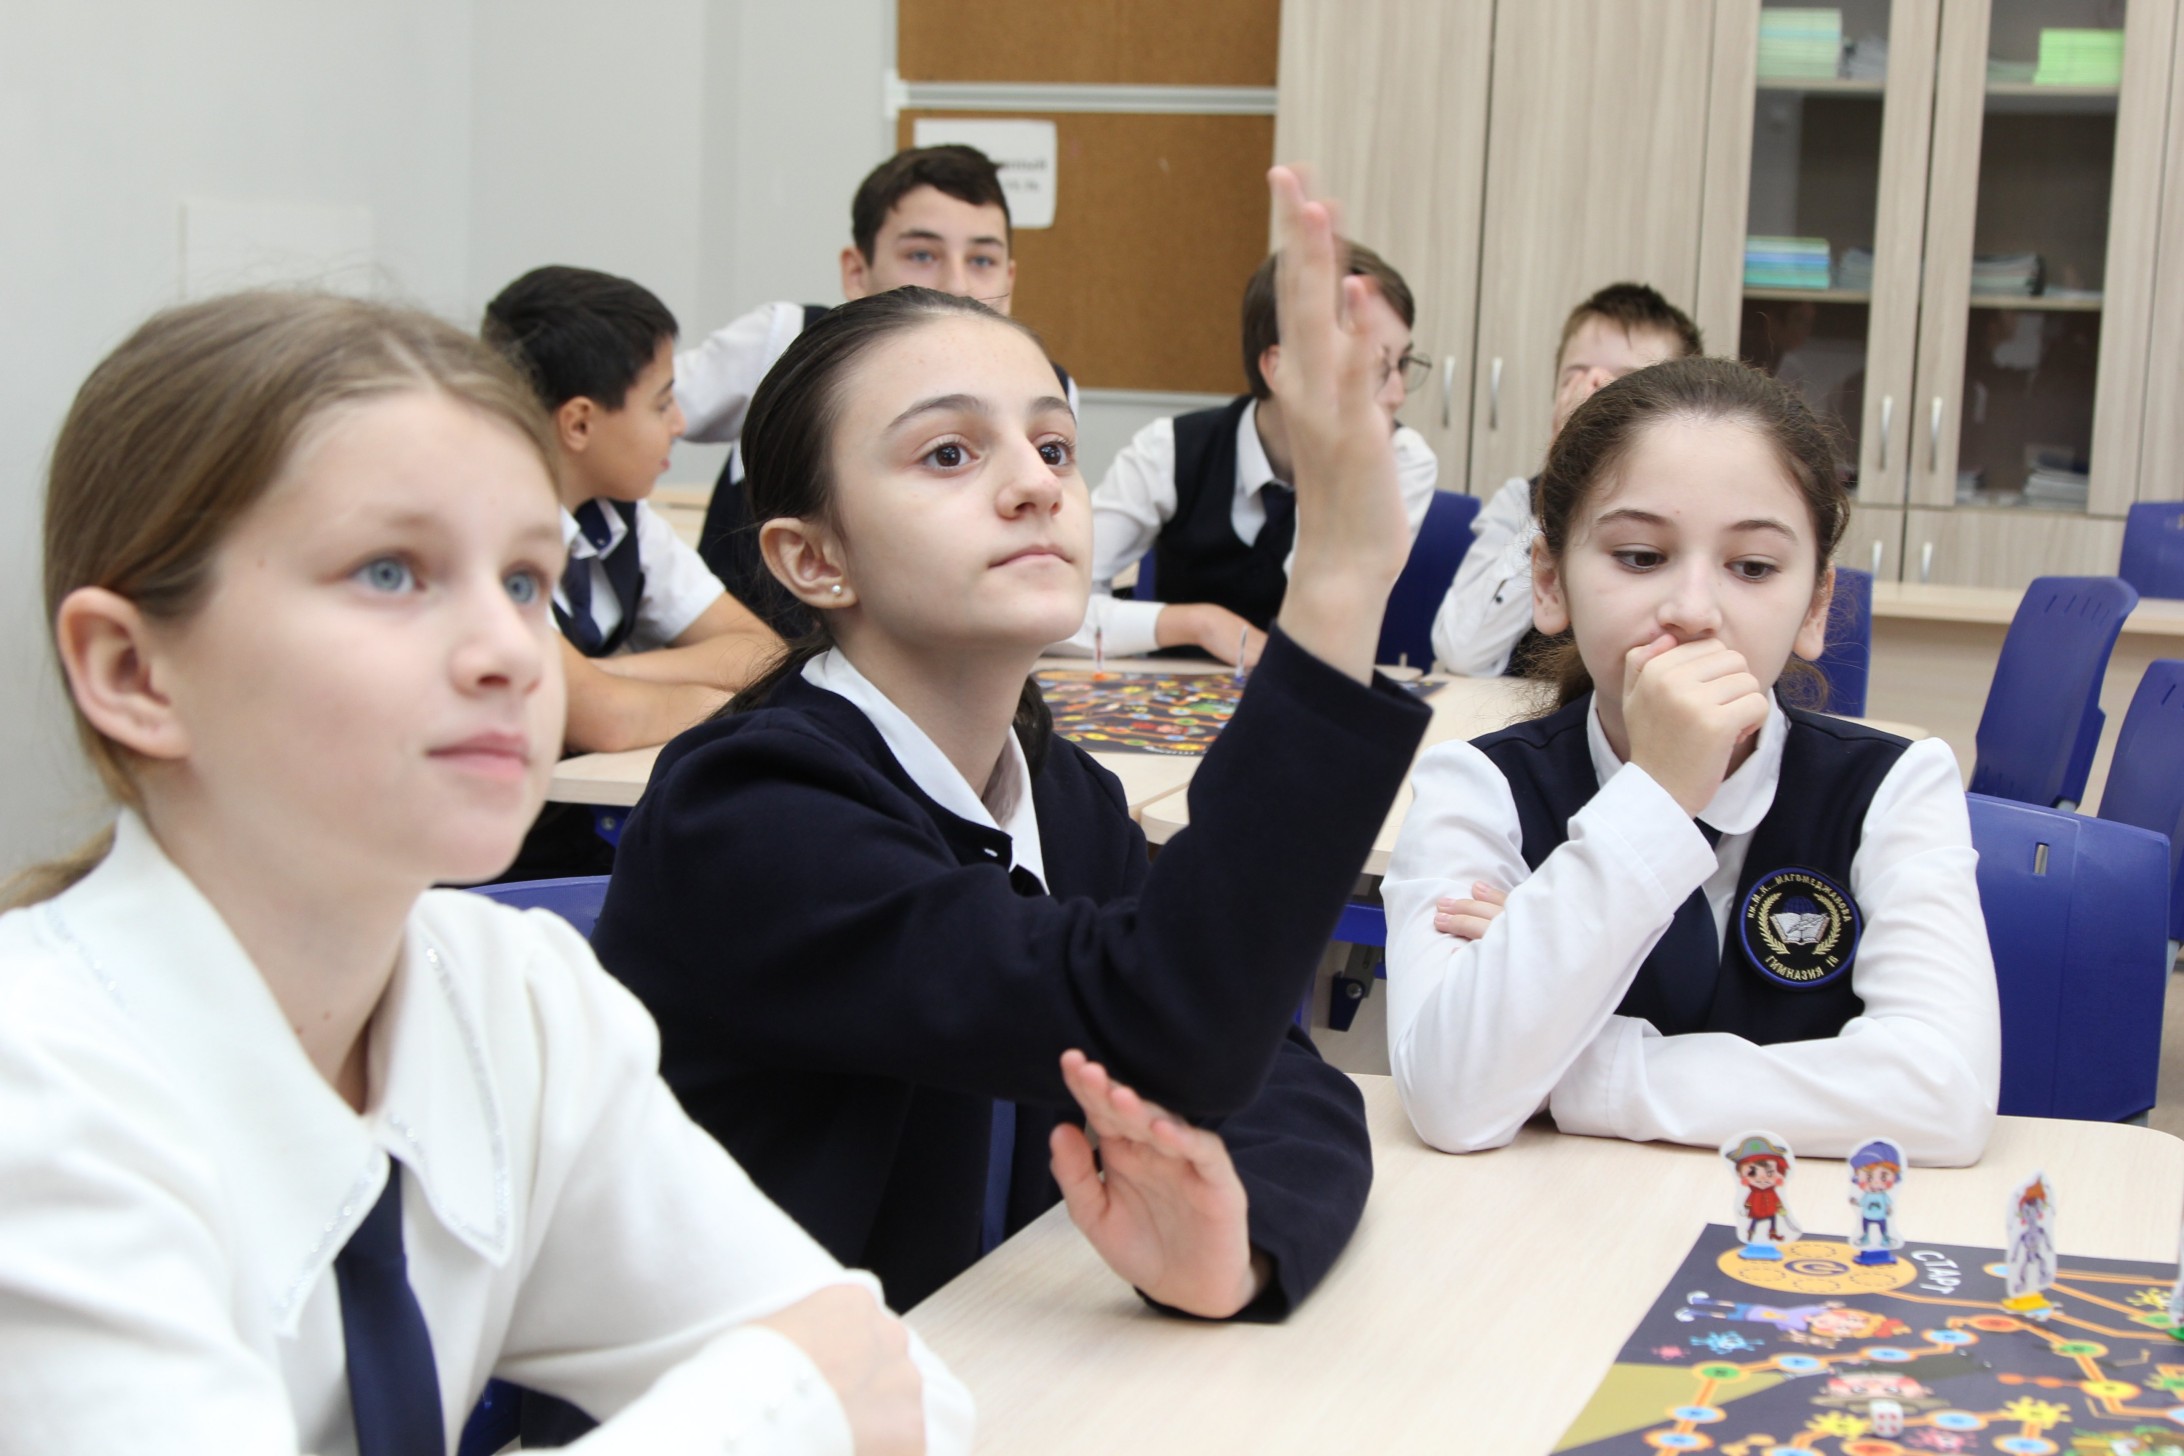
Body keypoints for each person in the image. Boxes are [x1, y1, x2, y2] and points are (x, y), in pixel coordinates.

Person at [0, 291, 970, 1454]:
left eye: (522, 581)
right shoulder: (37, 1093)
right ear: (132, 671)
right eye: (390, 572)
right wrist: (777, 1406)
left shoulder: (513, 995)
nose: (511, 651)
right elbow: (822, 1384)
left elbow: (897, 1385)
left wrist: (798, 1390)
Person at [594, 168, 1430, 1321]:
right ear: (812, 559)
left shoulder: (1058, 792)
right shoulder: (749, 809)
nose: (1034, 486)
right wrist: (1335, 575)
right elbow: (1182, 1017)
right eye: (948, 454)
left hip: (989, 1373)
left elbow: (1276, 1072)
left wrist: (1237, 1255)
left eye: (1053, 446)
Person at [1381, 356, 2000, 1164]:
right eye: (1641, 557)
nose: (1694, 611)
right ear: (1550, 582)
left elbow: (1943, 1096)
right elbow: (1452, 1097)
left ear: (1815, 605)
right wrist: (1658, 793)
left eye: (1753, 567)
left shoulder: (1897, 787)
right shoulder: (1476, 788)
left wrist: (1570, 1062)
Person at [676, 144, 1076, 636]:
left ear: (1009, 278)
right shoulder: (784, 342)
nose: (957, 284)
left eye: (982, 259)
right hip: (752, 660)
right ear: (856, 271)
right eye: (922, 255)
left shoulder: (1045, 390)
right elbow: (631, 415)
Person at [483, 265, 782, 878]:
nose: (680, 424)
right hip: (491, 862)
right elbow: (607, 719)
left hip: (578, 839)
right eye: (662, 402)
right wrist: (604, 694)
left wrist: (596, 675)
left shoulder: (620, 516)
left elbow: (760, 654)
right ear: (579, 423)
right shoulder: (483, 535)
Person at [1051, 243, 1437, 666]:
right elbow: (1054, 601)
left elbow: (1329, 623)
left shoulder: (1401, 461)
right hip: (1175, 695)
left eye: (1402, 364)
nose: (1397, 395)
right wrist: (1198, 624)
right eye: (1370, 367)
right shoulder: (1168, 450)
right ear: (1279, 369)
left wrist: (1330, 471)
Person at [1431, 282, 1701, 677]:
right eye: (1576, 380)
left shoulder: (1699, 514)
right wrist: (1562, 486)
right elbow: (1461, 651)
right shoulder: (1520, 501)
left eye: (1624, 386)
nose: (1591, 400)